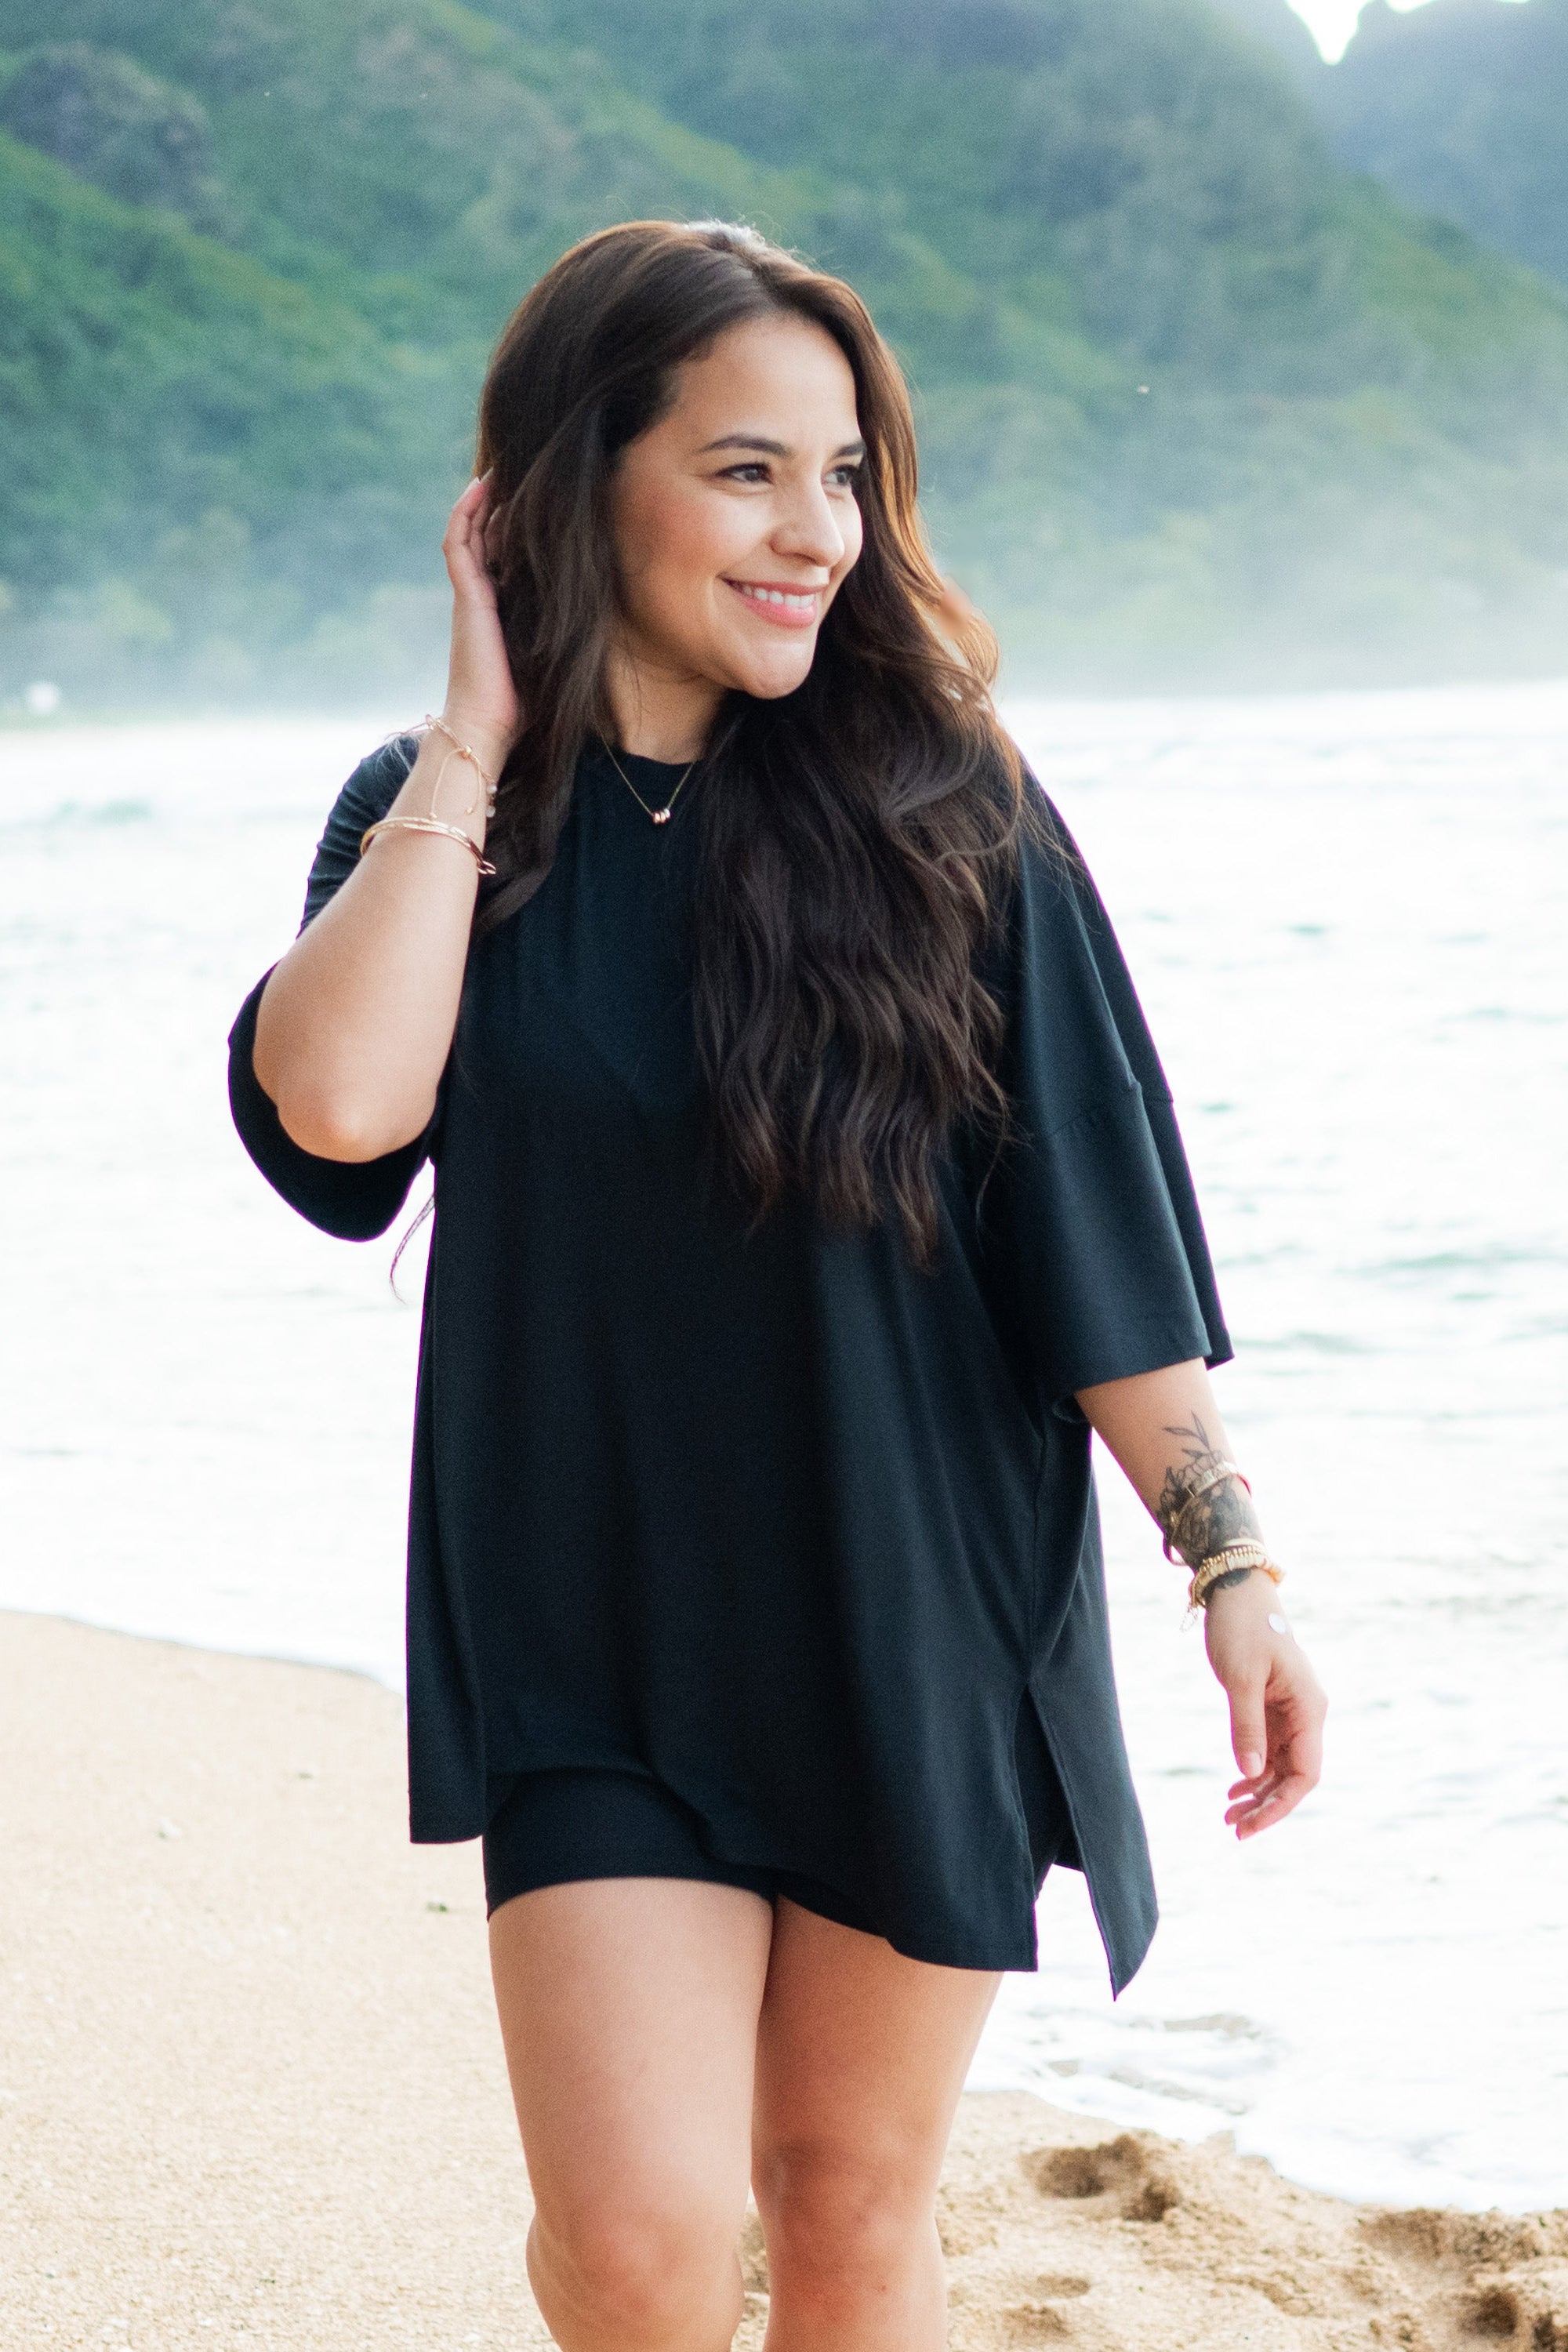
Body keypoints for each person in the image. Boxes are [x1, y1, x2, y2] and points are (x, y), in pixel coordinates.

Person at [228, 220, 1326, 2352]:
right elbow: (341, 1109)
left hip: (913, 1614)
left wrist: (1232, 1569)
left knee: (843, 2207)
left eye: (842, 476)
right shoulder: (443, 824)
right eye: (747, 471)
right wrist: (472, 734)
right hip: (588, 1622)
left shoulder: (948, 811)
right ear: (577, 479)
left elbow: (1095, 1241)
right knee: (636, 2245)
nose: (816, 531)